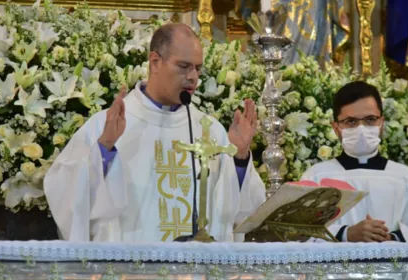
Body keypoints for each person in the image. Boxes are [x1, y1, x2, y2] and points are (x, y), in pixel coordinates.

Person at [44, 23, 266, 243]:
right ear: (155, 62)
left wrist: (239, 157)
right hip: (129, 273)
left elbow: (242, 213)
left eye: (197, 68)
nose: (193, 77)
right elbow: (64, 194)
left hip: (197, 274)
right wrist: (104, 149)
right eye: (183, 66)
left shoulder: (210, 130)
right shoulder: (106, 126)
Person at [302, 81, 408, 243]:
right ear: (336, 128)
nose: (361, 129)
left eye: (370, 120)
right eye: (351, 121)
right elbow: (297, 235)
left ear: (381, 123)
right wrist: (345, 234)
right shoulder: (316, 177)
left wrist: (391, 238)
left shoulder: (406, 179)